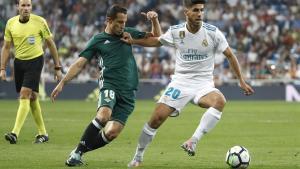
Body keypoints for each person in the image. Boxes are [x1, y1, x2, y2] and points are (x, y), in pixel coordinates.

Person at [121, 0, 254, 167]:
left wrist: (241, 80)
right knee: (155, 119)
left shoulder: (213, 33)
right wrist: (133, 41)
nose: (199, 14)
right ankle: (138, 156)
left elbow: (230, 55)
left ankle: (193, 140)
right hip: (180, 83)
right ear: (186, 12)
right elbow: (155, 41)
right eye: (196, 10)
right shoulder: (176, 32)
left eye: (202, 10)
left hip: (204, 85)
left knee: (220, 101)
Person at [50, 5, 161, 167]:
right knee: (103, 115)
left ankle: (78, 150)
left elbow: (158, 41)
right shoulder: (98, 40)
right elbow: (80, 63)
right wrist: (62, 82)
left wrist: (155, 20)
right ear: (109, 20)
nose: (123, 25)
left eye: (125, 22)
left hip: (129, 90)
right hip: (110, 84)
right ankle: (77, 153)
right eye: (119, 22)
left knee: (111, 132)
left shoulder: (128, 33)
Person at [0, 0, 62, 144]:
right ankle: (43, 133)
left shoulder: (40, 22)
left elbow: (51, 43)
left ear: (31, 7)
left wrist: (57, 67)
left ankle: (14, 133)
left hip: (35, 61)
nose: (26, 8)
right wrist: (2, 68)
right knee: (33, 97)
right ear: (17, 7)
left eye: (28, 5)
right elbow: (7, 47)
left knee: (24, 94)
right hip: (19, 62)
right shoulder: (11, 23)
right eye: (23, 5)